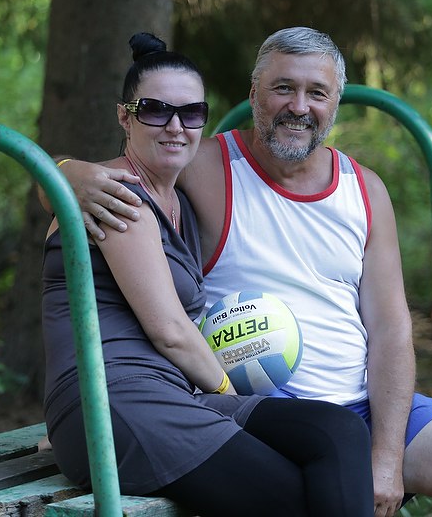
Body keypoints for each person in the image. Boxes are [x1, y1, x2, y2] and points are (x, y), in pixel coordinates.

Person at [60, 27, 432, 517]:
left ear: (335, 102)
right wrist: (67, 172)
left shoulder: (365, 190)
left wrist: (385, 459)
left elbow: (391, 328)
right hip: (261, 410)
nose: (299, 106)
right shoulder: (203, 164)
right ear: (254, 93)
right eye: (283, 88)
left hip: (361, 404)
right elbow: (104, 183)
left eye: (317, 92)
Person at [42, 32, 374, 517]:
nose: (175, 127)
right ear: (125, 117)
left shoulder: (180, 200)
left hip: (173, 397)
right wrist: (228, 394)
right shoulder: (117, 196)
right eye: (155, 111)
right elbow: (171, 332)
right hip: (115, 404)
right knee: (301, 498)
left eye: (191, 113)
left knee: (338, 431)